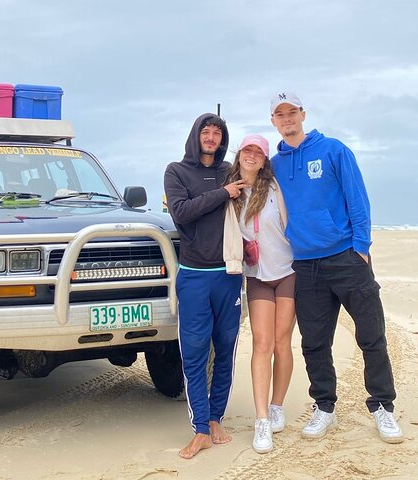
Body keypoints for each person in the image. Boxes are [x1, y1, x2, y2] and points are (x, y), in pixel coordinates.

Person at [268, 92, 404, 444]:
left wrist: (361, 247)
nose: (287, 119)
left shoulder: (334, 150)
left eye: (292, 112)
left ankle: (382, 408)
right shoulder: (276, 164)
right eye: (279, 114)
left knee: (371, 335)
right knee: (314, 343)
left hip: (346, 257)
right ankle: (324, 407)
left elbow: (357, 198)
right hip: (306, 264)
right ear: (273, 121)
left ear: (302, 114)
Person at [164, 113, 247, 459]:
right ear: (196, 135)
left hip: (229, 275)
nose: (211, 137)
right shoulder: (177, 171)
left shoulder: (232, 170)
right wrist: (223, 193)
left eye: (217, 132)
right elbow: (181, 212)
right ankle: (199, 428)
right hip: (195, 275)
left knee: (226, 351)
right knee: (195, 355)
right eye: (206, 131)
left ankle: (216, 418)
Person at [223, 134, 296, 454]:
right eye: (247, 150)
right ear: (239, 155)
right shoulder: (231, 192)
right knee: (262, 343)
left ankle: (277, 404)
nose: (252, 155)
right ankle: (262, 419)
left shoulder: (277, 189)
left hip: (287, 272)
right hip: (256, 277)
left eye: (258, 152)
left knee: (282, 342)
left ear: (265, 159)